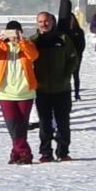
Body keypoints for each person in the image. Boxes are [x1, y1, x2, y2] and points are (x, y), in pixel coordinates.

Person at [0, 21, 39, 165]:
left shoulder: (27, 45)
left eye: (16, 32)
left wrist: (22, 42)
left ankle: (16, 153)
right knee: (12, 125)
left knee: (21, 127)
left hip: (25, 92)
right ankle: (25, 153)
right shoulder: (2, 47)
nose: (13, 36)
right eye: (10, 32)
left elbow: (33, 56)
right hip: (5, 92)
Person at [32, 9, 75, 163]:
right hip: (42, 90)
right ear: (37, 24)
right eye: (41, 21)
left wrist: (66, 75)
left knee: (63, 122)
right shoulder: (33, 41)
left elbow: (73, 59)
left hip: (61, 89)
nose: (44, 24)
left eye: (47, 21)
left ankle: (63, 152)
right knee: (44, 123)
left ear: (52, 22)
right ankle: (46, 153)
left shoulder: (62, 38)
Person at [54, 0, 87, 102]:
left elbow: (82, 44)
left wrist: (77, 53)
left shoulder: (79, 32)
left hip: (76, 55)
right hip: (65, 56)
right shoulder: (63, 31)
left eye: (71, 19)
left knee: (76, 75)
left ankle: (77, 94)